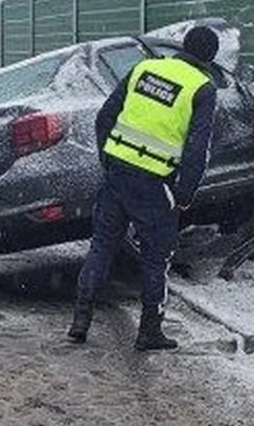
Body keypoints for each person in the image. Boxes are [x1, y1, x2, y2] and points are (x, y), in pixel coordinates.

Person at [67, 25, 220, 350]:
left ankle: (80, 321)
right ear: (210, 57)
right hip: (155, 184)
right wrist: (184, 195)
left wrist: (108, 159)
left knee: (101, 247)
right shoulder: (202, 88)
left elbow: (104, 117)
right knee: (156, 259)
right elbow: (197, 148)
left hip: (117, 175)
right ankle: (149, 331)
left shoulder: (144, 68)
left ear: (184, 46)